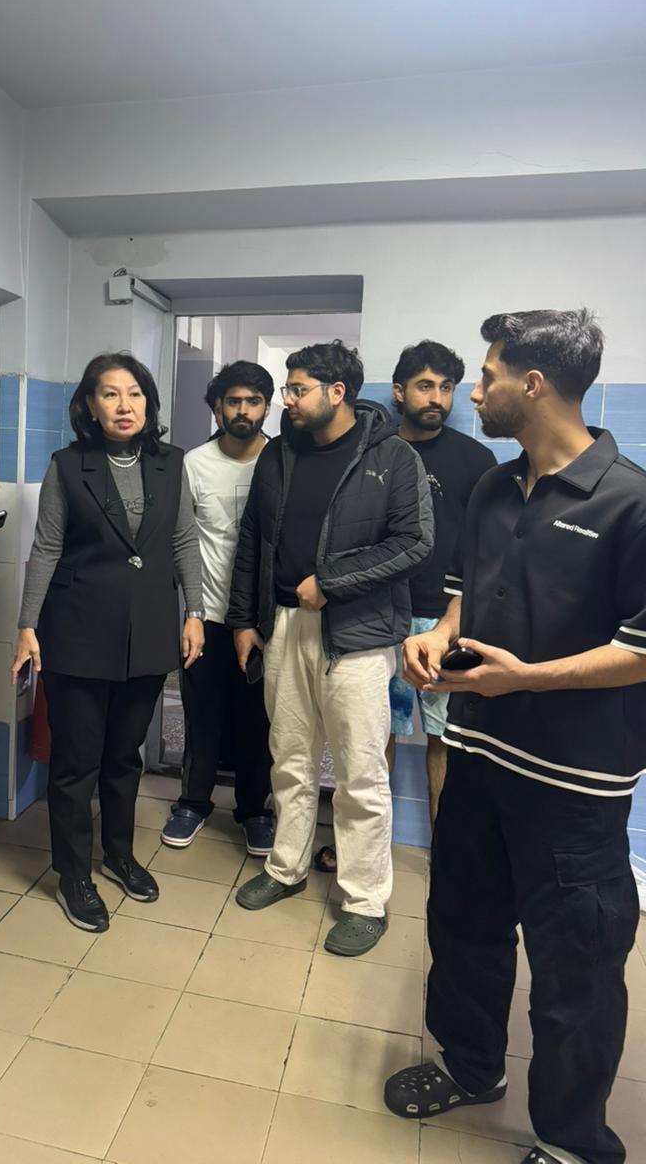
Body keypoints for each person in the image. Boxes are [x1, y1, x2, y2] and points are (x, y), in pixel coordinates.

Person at [384, 310, 645, 1164]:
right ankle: (471, 1066)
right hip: (478, 755)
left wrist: (525, 678)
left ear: (532, 385)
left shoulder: (631, 501)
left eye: (489, 376)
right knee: (463, 929)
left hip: (575, 784)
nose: (476, 393)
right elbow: (463, 595)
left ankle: (572, 1140)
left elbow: (642, 650)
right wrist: (437, 637)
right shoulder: (495, 489)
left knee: (576, 973)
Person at [227, 341, 433, 956]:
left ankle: (364, 901)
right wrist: (244, 619)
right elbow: (252, 538)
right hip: (284, 625)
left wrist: (333, 583)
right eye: (288, 390)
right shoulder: (279, 454)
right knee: (289, 758)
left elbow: (414, 542)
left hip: (358, 635)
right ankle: (285, 867)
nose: (287, 401)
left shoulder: (392, 456)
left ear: (336, 393)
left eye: (297, 390)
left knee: (359, 773)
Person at [11, 352, 204, 934]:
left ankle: (119, 854)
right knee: (77, 763)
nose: (125, 406)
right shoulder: (69, 466)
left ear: (149, 403)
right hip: (76, 631)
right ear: (90, 407)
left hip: (148, 631)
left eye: (135, 394)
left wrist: (195, 612)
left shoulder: (172, 463)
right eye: (111, 394)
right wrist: (27, 624)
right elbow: (46, 546)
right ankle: (73, 875)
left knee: (125, 755)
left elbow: (184, 540)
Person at [161, 361, 274, 855]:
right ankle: (192, 802)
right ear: (217, 408)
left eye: (253, 401)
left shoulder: (281, 462)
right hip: (206, 617)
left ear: (266, 407)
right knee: (201, 714)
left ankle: (254, 811)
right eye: (233, 401)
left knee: (258, 721)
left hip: (265, 622)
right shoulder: (193, 464)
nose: (243, 410)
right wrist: (191, 611)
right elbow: (181, 540)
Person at [386, 342, 496, 824]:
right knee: (375, 735)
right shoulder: (377, 452)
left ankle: (444, 850)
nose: (437, 398)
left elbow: (488, 548)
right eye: (425, 386)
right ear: (399, 391)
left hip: (446, 619)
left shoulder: (476, 460)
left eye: (446, 387)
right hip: (380, 616)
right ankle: (366, 849)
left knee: (444, 738)